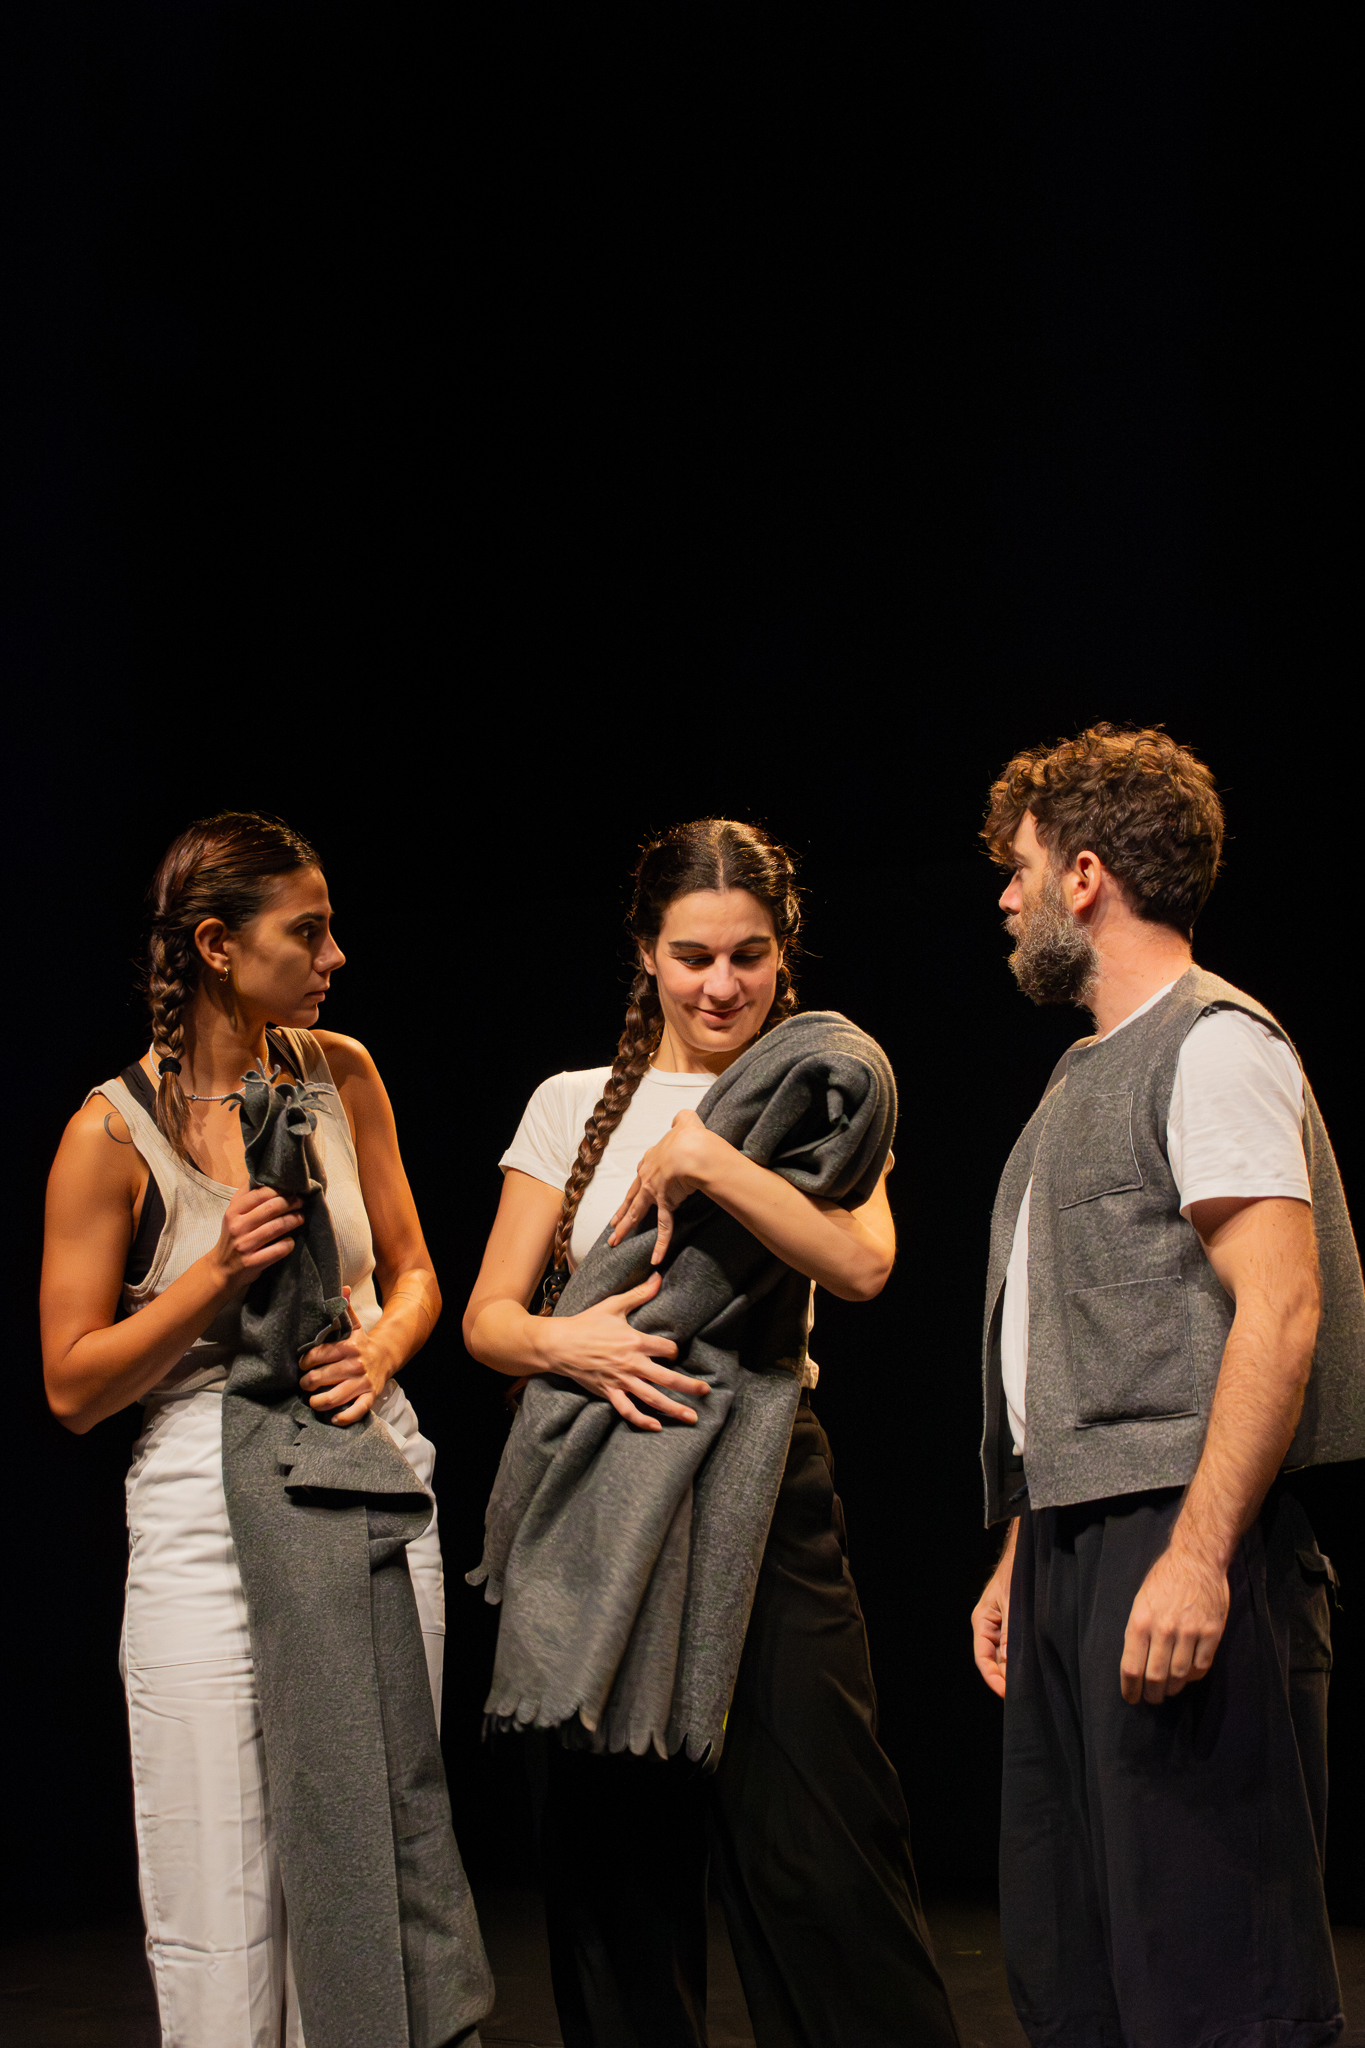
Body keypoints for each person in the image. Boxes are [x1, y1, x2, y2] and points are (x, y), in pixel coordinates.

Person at [462, 817, 960, 2048]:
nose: (721, 984)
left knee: (824, 1843)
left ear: (784, 952)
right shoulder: (569, 1101)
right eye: (692, 955)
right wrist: (571, 1345)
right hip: (600, 1477)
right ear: (646, 950)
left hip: (763, 1474)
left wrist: (710, 1162)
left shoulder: (817, 1089)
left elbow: (861, 1264)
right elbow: (488, 1319)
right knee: (613, 1868)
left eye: (748, 954)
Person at [40, 811, 479, 2047]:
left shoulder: (341, 1072)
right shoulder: (110, 1132)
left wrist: (379, 1348)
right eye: (308, 931)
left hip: (358, 1461)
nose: (334, 955)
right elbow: (71, 1384)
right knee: (223, 1886)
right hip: (203, 1496)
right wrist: (213, 1274)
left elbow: (415, 1272)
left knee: (376, 1839)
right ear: (217, 945)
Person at [969, 725, 1365, 2048]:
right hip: (1076, 1544)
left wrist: (1197, 1557)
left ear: (1084, 876)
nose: (1007, 898)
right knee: (1077, 1960)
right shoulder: (1082, 1070)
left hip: (1183, 1529)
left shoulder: (1215, 1045)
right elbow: (1077, 1339)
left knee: (1210, 1971)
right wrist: (1024, 1548)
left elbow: (1282, 1307)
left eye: (1021, 868)